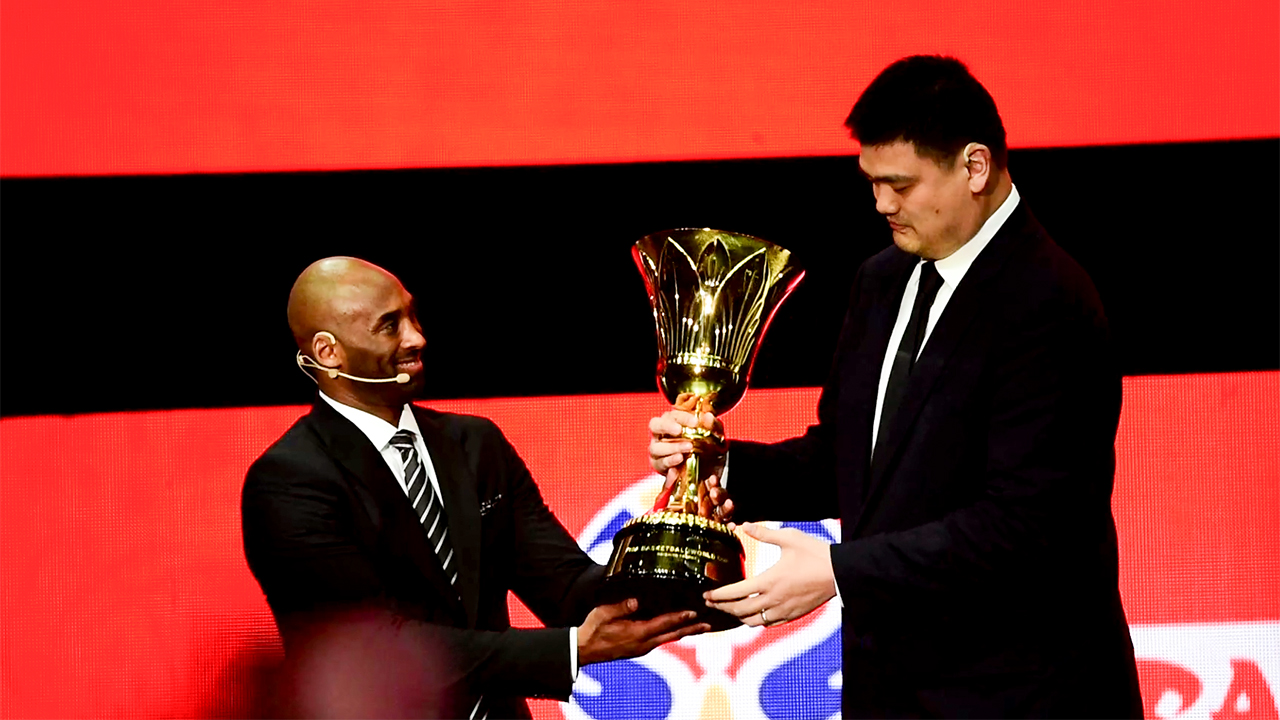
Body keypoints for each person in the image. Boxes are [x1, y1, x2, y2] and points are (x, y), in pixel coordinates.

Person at [648, 56, 1143, 717]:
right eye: (873, 183)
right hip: (891, 692)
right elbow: (850, 461)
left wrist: (838, 571)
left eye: (900, 185)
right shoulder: (881, 281)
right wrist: (719, 464)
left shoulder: (1050, 302)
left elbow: (1025, 526)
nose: (882, 204)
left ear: (975, 167)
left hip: (1020, 695)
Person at [243, 257, 708, 719]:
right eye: (389, 326)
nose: (417, 337)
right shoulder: (289, 481)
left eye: (412, 316)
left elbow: (568, 589)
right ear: (329, 352)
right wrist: (570, 650)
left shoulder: (475, 445)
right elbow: (377, 650)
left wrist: (681, 526)